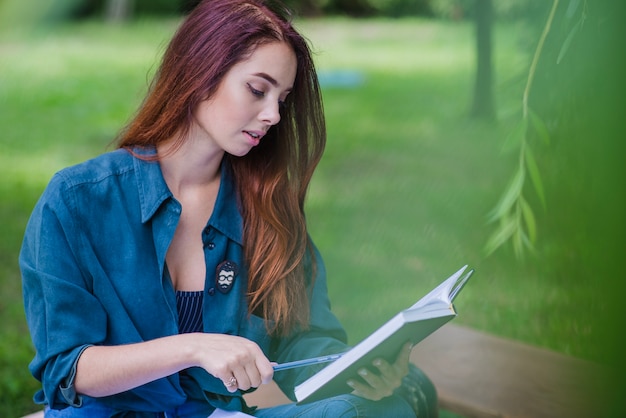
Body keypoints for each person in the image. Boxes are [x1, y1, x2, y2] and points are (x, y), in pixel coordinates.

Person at [20, 0, 437, 416]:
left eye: (283, 99)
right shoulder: (76, 201)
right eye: (258, 89)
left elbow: (300, 336)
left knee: (388, 408)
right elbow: (67, 367)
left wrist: (354, 369)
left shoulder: (267, 206)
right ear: (200, 71)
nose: (273, 115)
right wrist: (194, 348)